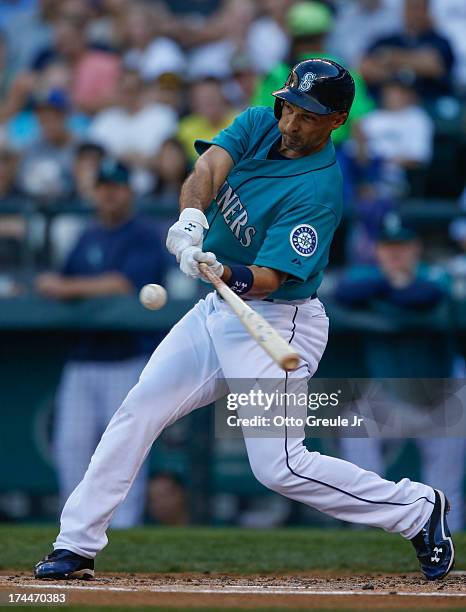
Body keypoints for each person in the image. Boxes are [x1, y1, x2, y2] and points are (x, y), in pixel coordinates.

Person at [34, 58, 454, 583]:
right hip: (217, 310)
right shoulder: (260, 121)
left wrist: (223, 268)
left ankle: (416, 509)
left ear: (337, 120)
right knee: (139, 409)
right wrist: (191, 219)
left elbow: (270, 279)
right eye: (292, 106)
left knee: (278, 466)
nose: (293, 122)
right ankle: (76, 543)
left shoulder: (319, 190)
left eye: (308, 114)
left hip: (278, 320)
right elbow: (209, 168)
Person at [34, 158, 167, 529]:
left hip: (125, 360)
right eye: (103, 187)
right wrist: (59, 286)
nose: (109, 193)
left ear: (128, 192)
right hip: (82, 360)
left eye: (116, 187)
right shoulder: (87, 235)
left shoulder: (142, 234)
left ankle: (124, 528)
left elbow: (123, 284)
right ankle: (73, 529)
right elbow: (58, 281)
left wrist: (66, 289)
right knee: (71, 447)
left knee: (123, 451)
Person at [335, 216, 464, 531]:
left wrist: (383, 297)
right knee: (354, 429)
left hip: (443, 395)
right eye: (389, 247)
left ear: (416, 248)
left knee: (447, 490)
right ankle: (370, 531)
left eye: (402, 247)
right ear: (377, 250)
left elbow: (425, 296)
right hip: (390, 398)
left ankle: (446, 545)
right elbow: (345, 293)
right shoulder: (365, 276)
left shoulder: (435, 275)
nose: (396, 254)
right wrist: (391, 284)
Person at [360, 0, 455, 101]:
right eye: (411, 8)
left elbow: (433, 65)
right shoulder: (387, 39)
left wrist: (390, 57)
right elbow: (364, 68)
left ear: (428, 11)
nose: (415, 14)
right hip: (382, 107)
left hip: (428, 105)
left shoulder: (439, 41)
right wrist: (402, 74)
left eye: (419, 8)